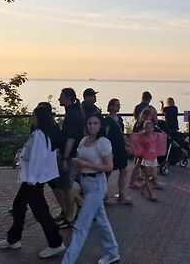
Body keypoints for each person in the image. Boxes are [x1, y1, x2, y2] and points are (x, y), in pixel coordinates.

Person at [0, 104, 66, 259]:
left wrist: (32, 180)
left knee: (40, 212)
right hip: (33, 179)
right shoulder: (43, 133)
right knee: (19, 206)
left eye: (33, 115)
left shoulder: (39, 135)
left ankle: (55, 243)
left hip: (33, 180)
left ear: (38, 117)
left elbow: (37, 158)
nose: (31, 117)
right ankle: (13, 239)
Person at [61, 113, 119, 264]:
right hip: (85, 183)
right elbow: (81, 161)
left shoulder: (103, 142)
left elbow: (109, 166)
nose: (92, 126)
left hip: (98, 184)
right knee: (101, 220)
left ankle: (68, 261)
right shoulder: (83, 140)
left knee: (81, 225)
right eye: (89, 123)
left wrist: (85, 164)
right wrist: (76, 165)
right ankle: (112, 252)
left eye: (95, 123)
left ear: (100, 126)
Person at [53, 88, 85, 229]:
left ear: (68, 98)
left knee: (67, 186)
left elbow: (71, 137)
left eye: (61, 96)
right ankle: (77, 209)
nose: (59, 99)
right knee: (68, 185)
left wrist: (65, 156)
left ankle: (70, 217)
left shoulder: (72, 114)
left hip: (70, 155)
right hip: (74, 153)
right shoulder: (76, 112)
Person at [103, 98, 132, 205]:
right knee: (107, 172)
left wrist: (127, 144)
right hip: (111, 148)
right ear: (110, 106)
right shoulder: (107, 120)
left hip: (120, 147)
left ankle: (122, 194)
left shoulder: (119, 119)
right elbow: (105, 135)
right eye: (116, 105)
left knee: (124, 171)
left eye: (119, 105)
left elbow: (122, 134)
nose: (118, 106)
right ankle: (105, 196)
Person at [132, 120, 166, 201]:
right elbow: (136, 143)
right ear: (144, 128)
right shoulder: (142, 137)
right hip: (146, 158)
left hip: (153, 158)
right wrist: (136, 157)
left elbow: (161, 136)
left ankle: (144, 184)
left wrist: (164, 135)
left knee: (154, 177)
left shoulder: (154, 136)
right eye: (147, 128)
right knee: (147, 176)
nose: (149, 129)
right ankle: (151, 194)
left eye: (151, 128)